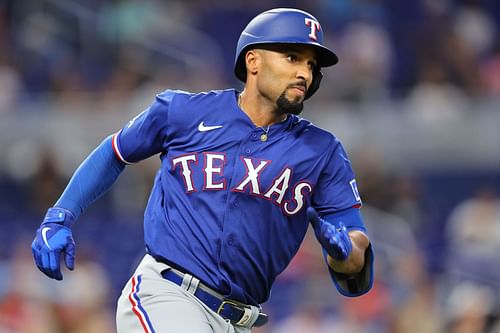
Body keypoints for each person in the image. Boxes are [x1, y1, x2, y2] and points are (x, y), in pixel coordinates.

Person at [31, 8, 374, 333]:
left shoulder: (321, 151)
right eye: (292, 57)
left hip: (239, 319)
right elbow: (115, 151)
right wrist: (60, 214)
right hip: (168, 294)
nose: (304, 72)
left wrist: (343, 253)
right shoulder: (183, 112)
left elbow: (355, 255)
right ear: (252, 60)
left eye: (312, 65)